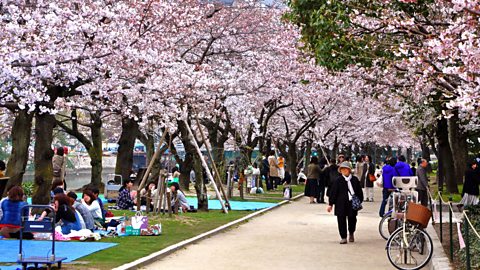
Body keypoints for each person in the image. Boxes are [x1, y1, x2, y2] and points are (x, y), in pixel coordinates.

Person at [327, 161, 363, 244]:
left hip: (351, 203)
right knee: (341, 220)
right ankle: (343, 237)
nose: (344, 171)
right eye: (342, 169)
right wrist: (330, 204)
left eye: (346, 169)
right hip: (340, 203)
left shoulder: (354, 180)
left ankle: (351, 232)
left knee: (352, 219)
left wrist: (359, 201)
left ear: (349, 170)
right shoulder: (338, 180)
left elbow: (359, 192)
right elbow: (333, 193)